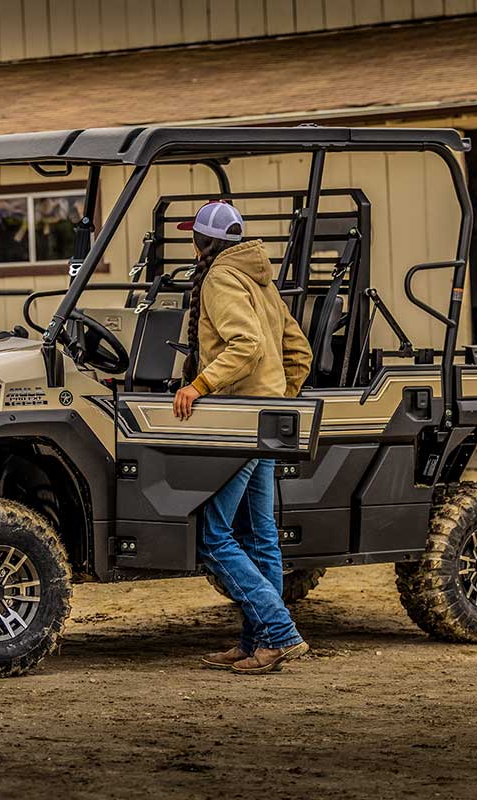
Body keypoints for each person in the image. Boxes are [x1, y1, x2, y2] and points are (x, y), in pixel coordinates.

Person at [171, 201, 313, 674]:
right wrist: (278, 397)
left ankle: (281, 632)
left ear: (203, 243)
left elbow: (246, 345)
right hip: (266, 420)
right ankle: (258, 643)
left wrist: (199, 385)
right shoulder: (260, 279)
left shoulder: (219, 279)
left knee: (213, 536)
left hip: (238, 422)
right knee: (261, 537)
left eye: (193, 236)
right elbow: (299, 351)